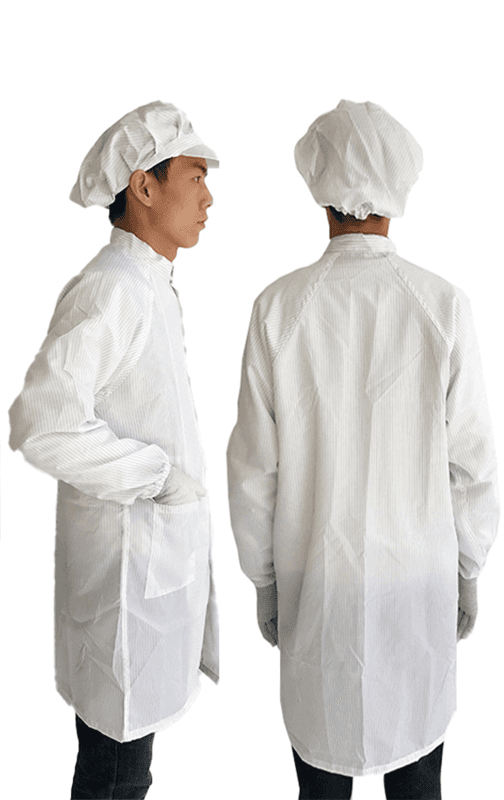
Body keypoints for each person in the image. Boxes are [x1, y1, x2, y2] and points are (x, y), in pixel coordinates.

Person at [227, 99, 499, 799]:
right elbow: (472, 463)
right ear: (400, 190)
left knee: (321, 778)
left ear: (320, 193)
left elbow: (254, 468)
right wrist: (468, 567)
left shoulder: (279, 308)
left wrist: (264, 580)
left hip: (318, 587)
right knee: (417, 777)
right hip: (418, 585)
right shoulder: (442, 306)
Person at [9, 101, 219, 799]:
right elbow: (42, 424)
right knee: (117, 771)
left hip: (148, 570)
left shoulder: (150, 284)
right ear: (144, 186)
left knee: (123, 764)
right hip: (126, 579)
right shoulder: (112, 289)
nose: (208, 198)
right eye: (195, 177)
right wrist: (155, 476)